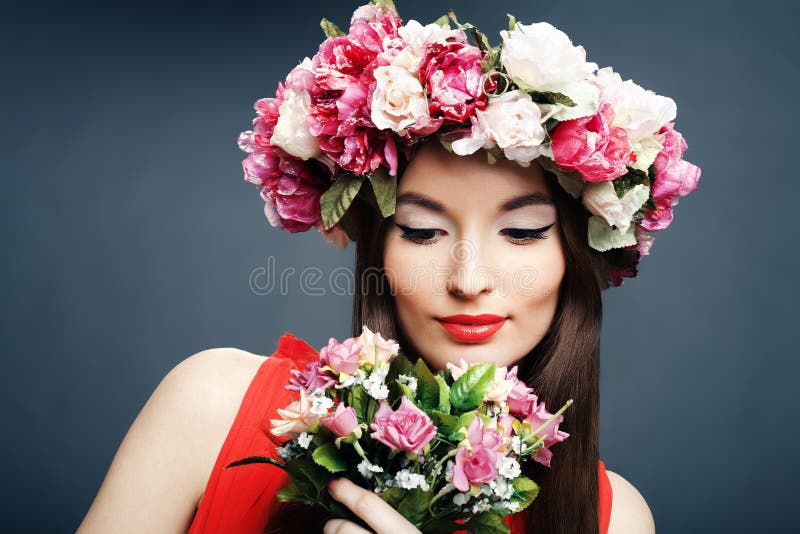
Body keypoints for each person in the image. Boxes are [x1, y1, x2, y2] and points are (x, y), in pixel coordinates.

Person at [79, 2, 699, 532]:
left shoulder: (612, 517)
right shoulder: (212, 405)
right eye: (424, 231)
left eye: (522, 231)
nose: (469, 278)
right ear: (376, 244)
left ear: (575, 251)